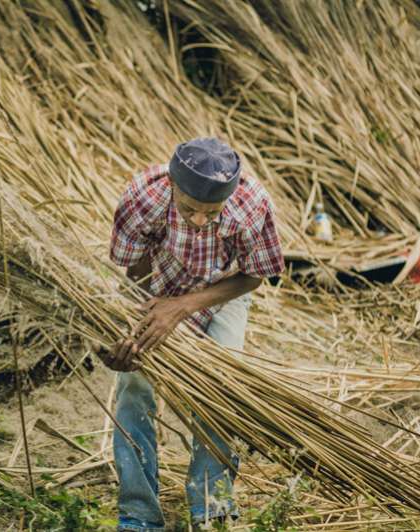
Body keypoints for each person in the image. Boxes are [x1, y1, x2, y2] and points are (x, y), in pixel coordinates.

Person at [101, 137, 285, 531]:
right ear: (172, 185)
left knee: (221, 389)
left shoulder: (251, 206)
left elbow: (254, 275)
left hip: (223, 291)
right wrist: (143, 320)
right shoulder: (142, 199)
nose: (200, 220)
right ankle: (138, 514)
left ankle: (211, 506)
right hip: (155, 287)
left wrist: (185, 306)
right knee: (134, 388)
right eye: (188, 209)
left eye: (211, 212)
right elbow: (132, 271)